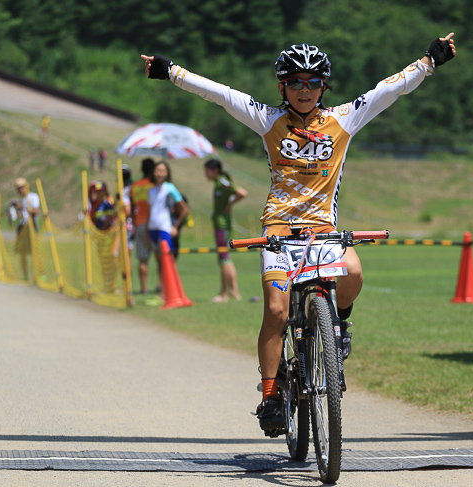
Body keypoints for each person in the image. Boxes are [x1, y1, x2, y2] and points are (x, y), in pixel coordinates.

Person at [141, 35, 456, 432]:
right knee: (275, 310)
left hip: (323, 230)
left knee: (354, 273)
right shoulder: (268, 119)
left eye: (312, 83)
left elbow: (388, 89)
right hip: (278, 228)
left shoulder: (344, 118)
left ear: (324, 86)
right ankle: (270, 395)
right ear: (282, 87)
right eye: (295, 82)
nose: (303, 91)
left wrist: (430, 60)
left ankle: (338, 326)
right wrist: (171, 72)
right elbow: (220, 94)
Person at [204, 158, 248, 303]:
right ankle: (234, 292)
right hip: (220, 224)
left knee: (224, 259)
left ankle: (225, 294)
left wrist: (230, 204)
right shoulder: (218, 184)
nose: (206, 174)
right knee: (225, 259)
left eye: (207, 171)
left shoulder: (222, 182)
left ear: (215, 170)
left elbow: (242, 192)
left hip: (222, 225)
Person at [148, 160, 189, 293]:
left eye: (162, 171)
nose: (159, 173)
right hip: (152, 228)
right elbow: (150, 210)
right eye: (157, 170)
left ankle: (168, 291)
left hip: (164, 228)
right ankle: (161, 287)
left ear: (167, 173)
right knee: (159, 262)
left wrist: (175, 227)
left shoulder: (169, 188)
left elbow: (184, 209)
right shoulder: (151, 190)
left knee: (167, 261)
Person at [131, 158, 156, 293]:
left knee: (142, 259)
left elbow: (132, 207)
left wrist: (134, 222)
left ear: (141, 169)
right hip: (154, 225)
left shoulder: (135, 186)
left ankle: (144, 288)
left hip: (139, 224)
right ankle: (160, 285)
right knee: (160, 256)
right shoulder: (154, 186)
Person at [14, 177, 40, 281]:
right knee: (22, 253)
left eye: (22, 187)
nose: (21, 190)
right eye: (19, 188)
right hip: (23, 228)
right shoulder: (24, 200)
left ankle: (40, 274)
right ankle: (25, 274)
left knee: (35, 252)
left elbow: (35, 211)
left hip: (31, 227)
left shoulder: (33, 197)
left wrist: (23, 207)